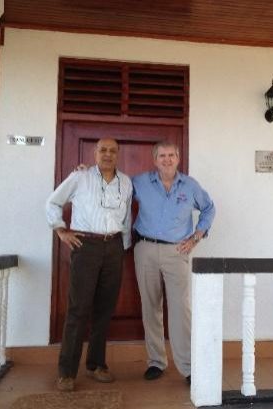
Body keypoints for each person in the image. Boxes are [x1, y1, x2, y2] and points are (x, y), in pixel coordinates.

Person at [46, 138, 132, 392]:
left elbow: (126, 218)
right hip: (86, 247)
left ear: (118, 154)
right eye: (103, 150)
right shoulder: (80, 178)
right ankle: (66, 372)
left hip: (114, 248)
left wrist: (122, 247)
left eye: (112, 151)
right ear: (95, 153)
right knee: (78, 309)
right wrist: (61, 230)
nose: (107, 154)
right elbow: (53, 202)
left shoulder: (126, 182)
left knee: (105, 310)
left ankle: (96, 365)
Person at [132, 141, 216, 386]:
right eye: (162, 156)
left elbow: (209, 209)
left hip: (177, 251)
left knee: (181, 309)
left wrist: (197, 236)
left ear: (178, 158)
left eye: (171, 155)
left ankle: (188, 367)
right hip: (145, 248)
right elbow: (115, 187)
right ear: (154, 159)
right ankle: (156, 362)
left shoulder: (190, 186)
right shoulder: (139, 182)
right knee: (151, 307)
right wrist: (85, 172)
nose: (166, 159)